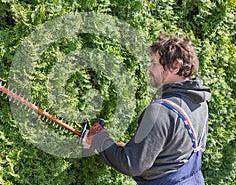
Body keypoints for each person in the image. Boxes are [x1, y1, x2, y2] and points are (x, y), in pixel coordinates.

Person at [83, 34, 212, 184]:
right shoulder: (199, 103)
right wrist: (137, 151)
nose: (149, 69)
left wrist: (99, 139)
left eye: (154, 64)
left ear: (175, 67)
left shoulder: (160, 112)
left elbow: (131, 165)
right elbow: (174, 156)